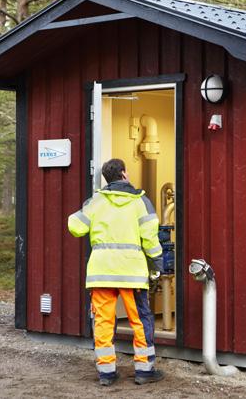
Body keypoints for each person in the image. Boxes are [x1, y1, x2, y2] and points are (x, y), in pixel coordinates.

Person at [68, 158, 164, 387]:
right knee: (140, 320)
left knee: (102, 321)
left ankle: (107, 373)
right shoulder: (141, 201)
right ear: (124, 174)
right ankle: (144, 370)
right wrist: (157, 264)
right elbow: (150, 238)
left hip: (101, 274)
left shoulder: (96, 202)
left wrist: (85, 208)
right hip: (132, 273)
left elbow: (75, 226)